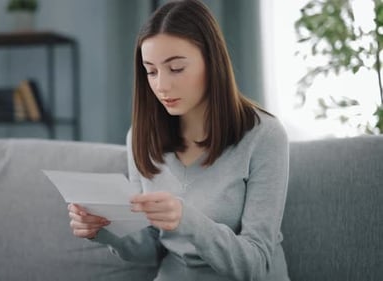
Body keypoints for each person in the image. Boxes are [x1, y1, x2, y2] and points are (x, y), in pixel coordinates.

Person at [68, 0, 290, 280]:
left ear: (212, 62)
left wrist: (187, 220)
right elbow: (150, 250)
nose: (161, 85)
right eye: (151, 71)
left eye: (176, 69)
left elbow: (255, 265)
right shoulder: (141, 137)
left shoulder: (264, 136)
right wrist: (105, 230)